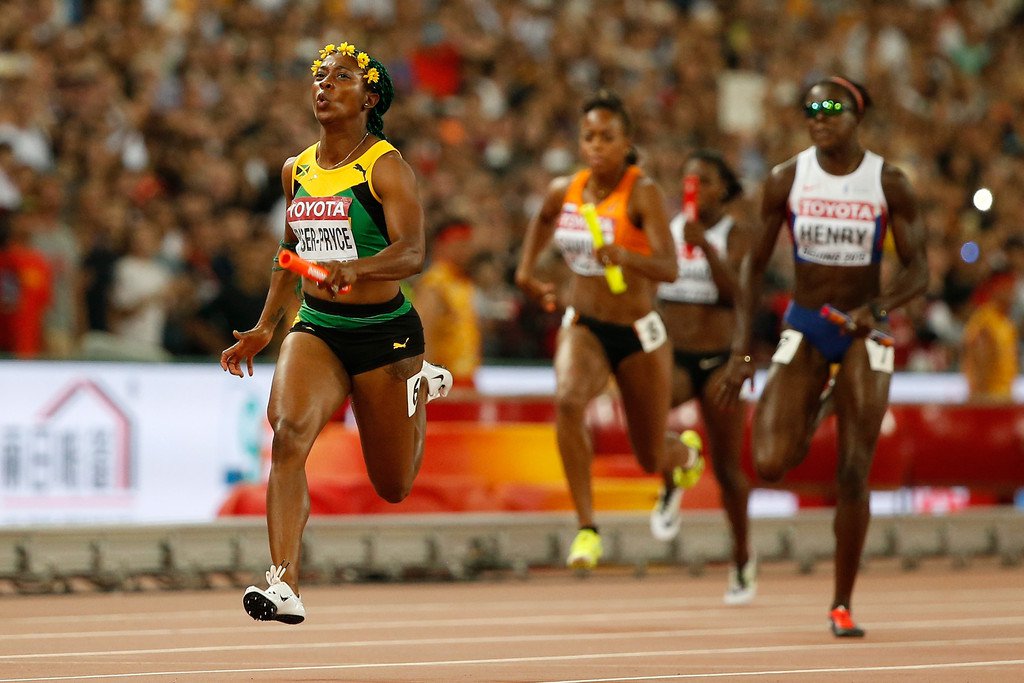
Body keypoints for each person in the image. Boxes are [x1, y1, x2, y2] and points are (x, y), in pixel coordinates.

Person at [220, 41, 452, 625]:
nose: (324, 85)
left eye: (342, 77)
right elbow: (290, 254)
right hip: (318, 327)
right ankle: (284, 582)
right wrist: (264, 327)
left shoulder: (385, 167)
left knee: (393, 485)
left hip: (384, 334)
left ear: (370, 98)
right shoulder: (296, 169)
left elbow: (413, 253)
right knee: (288, 435)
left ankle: (420, 384)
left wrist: (359, 268)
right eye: (320, 76)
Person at [717, 77, 927, 637]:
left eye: (831, 107)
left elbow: (919, 270)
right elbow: (752, 266)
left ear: (858, 115)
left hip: (864, 331)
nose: (818, 116)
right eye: (809, 108)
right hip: (807, 324)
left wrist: (877, 309)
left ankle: (841, 604)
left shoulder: (887, 181)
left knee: (853, 471)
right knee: (768, 461)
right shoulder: (787, 178)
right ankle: (824, 401)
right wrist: (741, 349)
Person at [515, 90, 698, 570]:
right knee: (568, 400)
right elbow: (543, 219)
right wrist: (526, 273)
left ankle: (684, 458)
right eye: (589, 136)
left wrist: (625, 256)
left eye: (607, 137)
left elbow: (669, 268)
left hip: (638, 334)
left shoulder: (642, 194)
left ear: (626, 142)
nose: (596, 145)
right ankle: (587, 528)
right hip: (585, 324)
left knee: (649, 456)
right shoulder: (565, 189)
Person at [654, 150, 756, 604]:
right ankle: (675, 473)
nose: (694, 188)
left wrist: (706, 248)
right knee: (645, 417)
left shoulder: (738, 234)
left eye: (705, 181)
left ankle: (742, 558)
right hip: (675, 356)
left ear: (724, 189)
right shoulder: (667, 230)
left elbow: (739, 296)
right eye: (688, 179)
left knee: (729, 470)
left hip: (720, 362)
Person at [413, 218, 482, 388]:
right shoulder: (434, 284)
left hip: (466, 378)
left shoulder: (462, 282)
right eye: (460, 243)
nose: (467, 250)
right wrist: (428, 382)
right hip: (445, 381)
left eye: (468, 244)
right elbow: (423, 335)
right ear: (440, 245)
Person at [962, 268, 1018, 403]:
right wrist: (981, 399)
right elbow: (979, 362)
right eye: (1008, 288)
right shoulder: (985, 321)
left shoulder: (1006, 322)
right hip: (988, 399)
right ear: (996, 289)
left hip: (1004, 396)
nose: (1012, 294)